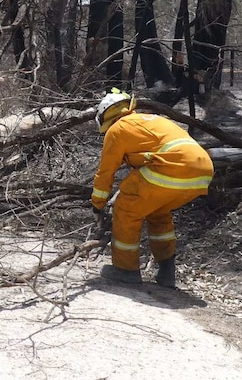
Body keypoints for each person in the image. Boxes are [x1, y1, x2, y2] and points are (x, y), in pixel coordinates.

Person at [90, 89, 214, 288]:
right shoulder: (152, 119)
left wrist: (98, 205)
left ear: (105, 117)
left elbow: (105, 173)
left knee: (126, 208)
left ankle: (125, 269)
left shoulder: (117, 129)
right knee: (157, 210)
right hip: (203, 170)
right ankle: (167, 272)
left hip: (170, 167)